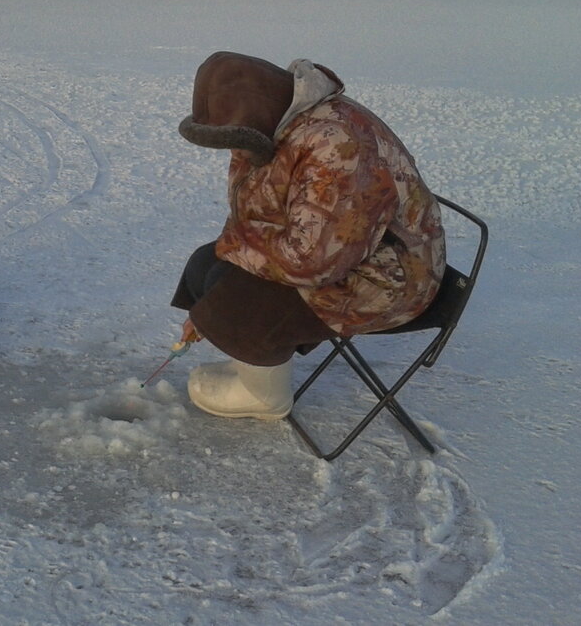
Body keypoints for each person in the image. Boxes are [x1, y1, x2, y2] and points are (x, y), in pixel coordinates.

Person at [171, 52, 446, 420]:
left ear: (255, 119)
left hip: (391, 279)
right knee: (205, 267)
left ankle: (265, 397)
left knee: (241, 296)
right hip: (340, 254)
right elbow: (253, 214)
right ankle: (254, 367)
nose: (234, 152)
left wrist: (229, 270)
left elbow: (312, 263)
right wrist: (209, 302)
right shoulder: (271, 127)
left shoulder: (337, 146)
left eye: (235, 140)